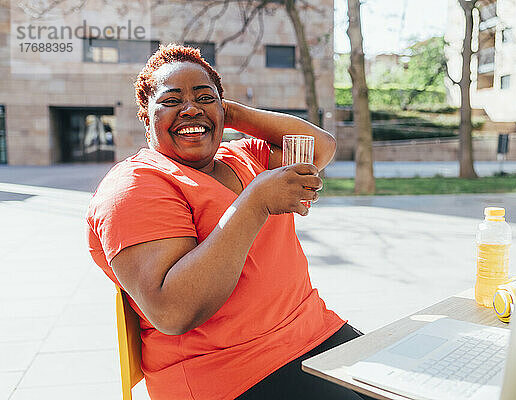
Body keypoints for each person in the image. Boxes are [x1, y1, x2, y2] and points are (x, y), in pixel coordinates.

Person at [86, 44, 372, 400]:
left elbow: (318, 146)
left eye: (204, 97)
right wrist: (255, 203)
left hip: (313, 330)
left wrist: (228, 111)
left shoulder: (242, 156)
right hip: (231, 371)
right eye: (172, 101)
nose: (190, 108)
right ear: (146, 115)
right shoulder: (135, 185)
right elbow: (173, 310)